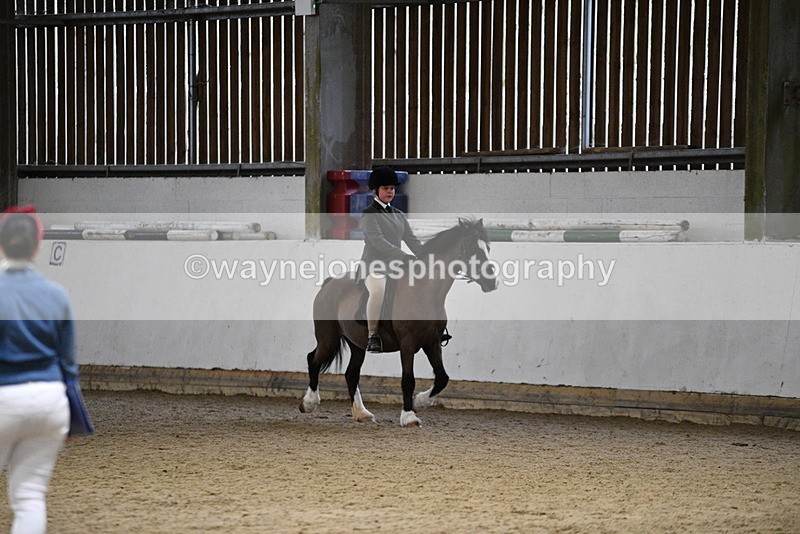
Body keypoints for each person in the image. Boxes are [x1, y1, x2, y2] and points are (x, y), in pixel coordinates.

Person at [0, 207, 77, 534]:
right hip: (49, 401)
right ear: (37, 247)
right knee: (30, 496)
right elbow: (68, 363)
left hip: (5, 397)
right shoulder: (57, 294)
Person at [359, 167, 424, 352]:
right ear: (376, 190)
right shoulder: (369, 213)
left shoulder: (398, 215)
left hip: (396, 265)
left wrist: (426, 256)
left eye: (392, 189)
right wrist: (404, 256)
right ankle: (372, 335)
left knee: (421, 285)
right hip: (374, 266)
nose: (390, 192)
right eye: (386, 188)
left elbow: (412, 240)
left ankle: (430, 329)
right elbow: (378, 241)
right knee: (378, 290)